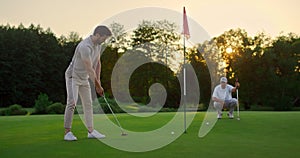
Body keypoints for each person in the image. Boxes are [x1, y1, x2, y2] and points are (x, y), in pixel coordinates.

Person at [64, 25, 112, 141]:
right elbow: (89, 68)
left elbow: (98, 63)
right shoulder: (84, 46)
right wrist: (97, 86)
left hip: (84, 78)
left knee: (88, 104)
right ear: (97, 35)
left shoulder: (98, 45)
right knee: (72, 103)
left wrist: (98, 81)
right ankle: (67, 133)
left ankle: (91, 131)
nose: (104, 41)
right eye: (103, 38)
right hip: (73, 77)